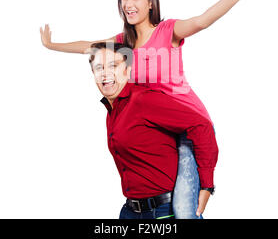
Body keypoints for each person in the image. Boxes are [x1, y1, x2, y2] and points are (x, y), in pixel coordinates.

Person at [40, 0, 266, 218]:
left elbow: (202, 21)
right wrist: (51, 46)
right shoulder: (122, 43)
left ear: (150, 3)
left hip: (188, 125)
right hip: (158, 126)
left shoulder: (167, 31)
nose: (128, 4)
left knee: (183, 208)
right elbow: (89, 46)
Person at [89, 42, 218, 219]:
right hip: (130, 211)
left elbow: (201, 125)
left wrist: (207, 185)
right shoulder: (113, 109)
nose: (105, 73)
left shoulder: (144, 100)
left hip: (163, 212)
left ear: (127, 70)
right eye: (98, 67)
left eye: (113, 65)